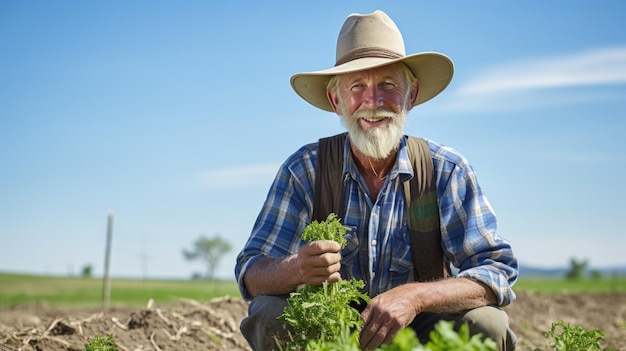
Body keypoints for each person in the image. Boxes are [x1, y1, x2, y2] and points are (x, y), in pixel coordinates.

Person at [234, 10, 518, 351]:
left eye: (387, 85)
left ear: (410, 96)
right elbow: (251, 272)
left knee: (486, 323)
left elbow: (495, 271)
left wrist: (416, 296)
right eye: (357, 87)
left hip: (418, 336)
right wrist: (297, 268)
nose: (373, 101)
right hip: (331, 333)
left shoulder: (446, 170)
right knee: (269, 313)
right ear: (336, 101)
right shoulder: (305, 170)